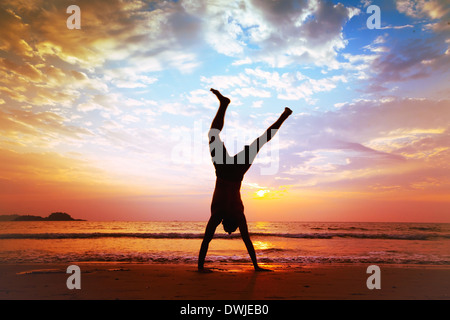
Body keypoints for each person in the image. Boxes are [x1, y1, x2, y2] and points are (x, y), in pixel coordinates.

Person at [198, 88, 292, 272]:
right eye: (226, 229)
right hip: (224, 170)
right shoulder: (219, 213)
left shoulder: (236, 213)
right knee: (214, 136)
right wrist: (256, 267)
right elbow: (208, 239)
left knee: (260, 142)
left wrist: (257, 266)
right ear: (226, 222)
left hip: (234, 173)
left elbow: (246, 240)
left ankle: (284, 116)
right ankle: (224, 104)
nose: (223, 229)